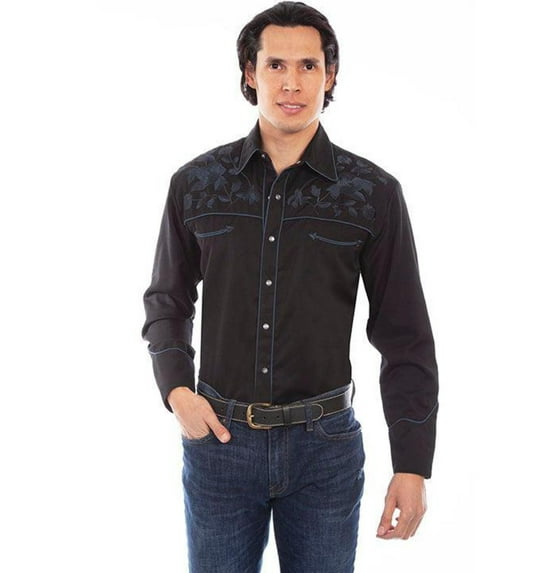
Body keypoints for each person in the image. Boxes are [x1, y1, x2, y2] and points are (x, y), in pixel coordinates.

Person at [141, 2, 439, 571]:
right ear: (250, 73)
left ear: (331, 76)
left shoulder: (372, 193)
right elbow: (167, 300)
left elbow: (405, 336)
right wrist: (177, 391)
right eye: (275, 65)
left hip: (325, 451)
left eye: (308, 66)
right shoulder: (196, 184)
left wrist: (412, 464)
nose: (292, 83)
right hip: (220, 444)